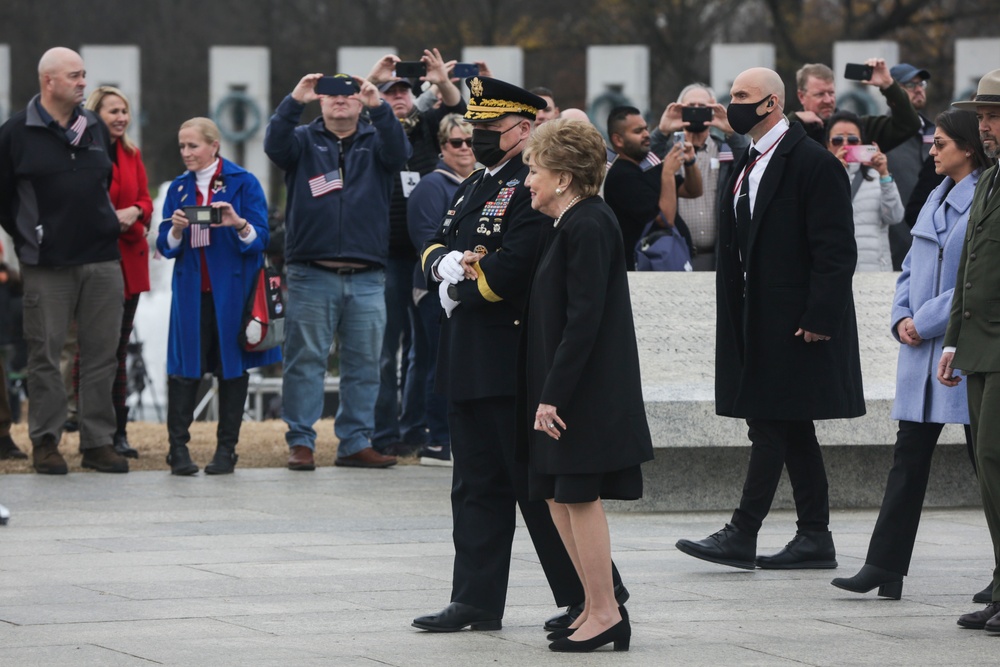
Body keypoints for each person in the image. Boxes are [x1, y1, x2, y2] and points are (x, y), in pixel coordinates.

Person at [412, 76, 626, 634]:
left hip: (508, 353)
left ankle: (594, 596)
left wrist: (458, 288)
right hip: (466, 354)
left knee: (537, 488)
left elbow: (515, 264)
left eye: (489, 129)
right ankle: (476, 598)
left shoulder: (538, 187)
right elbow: (436, 242)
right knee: (476, 485)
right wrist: (443, 267)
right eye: (474, 129)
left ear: (524, 129)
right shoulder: (475, 184)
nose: (477, 138)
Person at [675, 67, 864, 570]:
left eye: (743, 96)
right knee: (793, 426)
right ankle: (815, 537)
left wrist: (820, 314)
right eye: (732, 94)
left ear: (773, 104)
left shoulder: (812, 164)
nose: (731, 103)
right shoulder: (745, 160)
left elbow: (836, 251)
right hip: (755, 317)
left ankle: (743, 531)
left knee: (771, 423)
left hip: (796, 321)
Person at [831, 109, 988, 600]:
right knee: (907, 461)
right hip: (921, 355)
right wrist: (901, 317)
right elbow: (910, 266)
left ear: (967, 147)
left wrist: (923, 321)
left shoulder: (985, 198)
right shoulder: (935, 196)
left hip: (966, 349)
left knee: (988, 464)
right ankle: (884, 565)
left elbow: (975, 279)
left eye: (941, 143)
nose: (933, 150)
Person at [521, 118, 653, 652]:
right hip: (566, 389)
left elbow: (584, 319)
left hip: (584, 394)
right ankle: (596, 606)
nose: (528, 179)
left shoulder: (591, 224)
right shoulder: (571, 223)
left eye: (535, 169)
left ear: (565, 178)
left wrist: (554, 393)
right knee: (555, 495)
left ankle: (605, 610)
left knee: (577, 494)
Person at [265, 72, 410, 471]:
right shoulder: (300, 141)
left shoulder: (377, 140)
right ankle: (301, 441)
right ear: (320, 101)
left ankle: (355, 441)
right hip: (312, 272)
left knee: (365, 363)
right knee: (305, 360)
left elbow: (400, 152)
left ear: (362, 102)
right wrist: (294, 99)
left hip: (366, 275)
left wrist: (380, 107)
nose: (340, 100)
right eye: (330, 95)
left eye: (349, 94)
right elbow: (273, 143)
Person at [0, 47, 128, 474]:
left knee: (101, 355)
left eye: (83, 74)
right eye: (73, 76)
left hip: (102, 258)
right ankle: (46, 443)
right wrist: (29, 236)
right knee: (45, 355)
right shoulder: (16, 132)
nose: (82, 82)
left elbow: (103, 180)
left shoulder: (91, 126)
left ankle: (97, 443)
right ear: (48, 81)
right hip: (47, 264)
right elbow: (4, 199)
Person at [156, 117, 280, 476]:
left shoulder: (243, 182)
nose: (186, 153)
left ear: (214, 146)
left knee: (231, 368)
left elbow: (262, 238)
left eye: (193, 145)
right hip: (191, 293)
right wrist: (176, 230)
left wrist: (237, 223)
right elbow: (164, 246)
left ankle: (227, 450)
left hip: (233, 293)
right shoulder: (178, 189)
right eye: (182, 146)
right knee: (183, 369)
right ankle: (177, 449)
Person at [368, 49, 466, 457]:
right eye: (389, 93)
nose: (399, 97)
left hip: (426, 257)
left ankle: (414, 427)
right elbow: (354, 110)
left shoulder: (427, 130)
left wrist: (442, 80)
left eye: (404, 90)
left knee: (422, 352)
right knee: (386, 350)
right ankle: (385, 433)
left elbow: (457, 110)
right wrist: (371, 81)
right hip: (386, 255)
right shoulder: (372, 135)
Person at [941, 69, 1000, 634]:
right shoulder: (989, 180)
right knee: (988, 467)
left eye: (994, 115)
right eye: (982, 116)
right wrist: (955, 338)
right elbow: (970, 267)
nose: (985, 125)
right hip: (980, 346)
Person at [82, 85, 153, 459]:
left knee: (118, 349)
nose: (121, 118)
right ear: (96, 115)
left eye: (124, 111)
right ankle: (89, 427)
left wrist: (136, 213)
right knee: (94, 350)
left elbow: (145, 199)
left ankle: (118, 432)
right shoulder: (83, 153)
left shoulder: (132, 154)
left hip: (129, 262)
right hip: (93, 260)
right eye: (113, 111)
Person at [405, 113, 476, 466]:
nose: (464, 149)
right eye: (455, 142)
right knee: (437, 362)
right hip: (434, 288)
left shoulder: (478, 183)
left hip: (466, 290)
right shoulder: (431, 186)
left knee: (455, 362)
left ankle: (450, 435)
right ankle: (437, 440)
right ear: (442, 147)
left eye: (470, 141)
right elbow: (426, 241)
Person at [652, 83, 749, 270]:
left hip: (717, 256)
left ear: (713, 110)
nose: (696, 112)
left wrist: (731, 131)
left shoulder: (725, 150)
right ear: (680, 110)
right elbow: (644, 167)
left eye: (702, 107)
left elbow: (750, 163)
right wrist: (663, 131)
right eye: (690, 107)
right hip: (674, 252)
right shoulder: (667, 151)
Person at [604, 105, 702, 270]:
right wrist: (668, 173)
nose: (646, 135)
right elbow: (665, 219)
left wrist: (690, 162)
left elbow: (693, 191)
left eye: (646, 129)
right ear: (618, 140)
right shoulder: (621, 176)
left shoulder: (648, 166)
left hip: (670, 262)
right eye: (638, 131)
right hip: (645, 267)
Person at [825, 110, 904, 272]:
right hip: (835, 270)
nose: (845, 145)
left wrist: (884, 174)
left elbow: (895, 216)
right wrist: (834, 173)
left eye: (853, 140)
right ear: (827, 144)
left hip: (875, 271)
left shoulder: (877, 177)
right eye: (838, 140)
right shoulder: (817, 178)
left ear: (862, 143)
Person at [789, 60, 919, 153]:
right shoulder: (789, 130)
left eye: (831, 93)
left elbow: (908, 125)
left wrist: (889, 86)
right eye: (820, 94)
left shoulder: (857, 127)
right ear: (801, 96)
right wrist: (792, 121)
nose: (828, 100)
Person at [887, 63, 938, 270]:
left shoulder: (939, 134)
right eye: (909, 84)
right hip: (894, 250)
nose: (918, 89)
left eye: (921, 83)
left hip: (932, 247)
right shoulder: (880, 135)